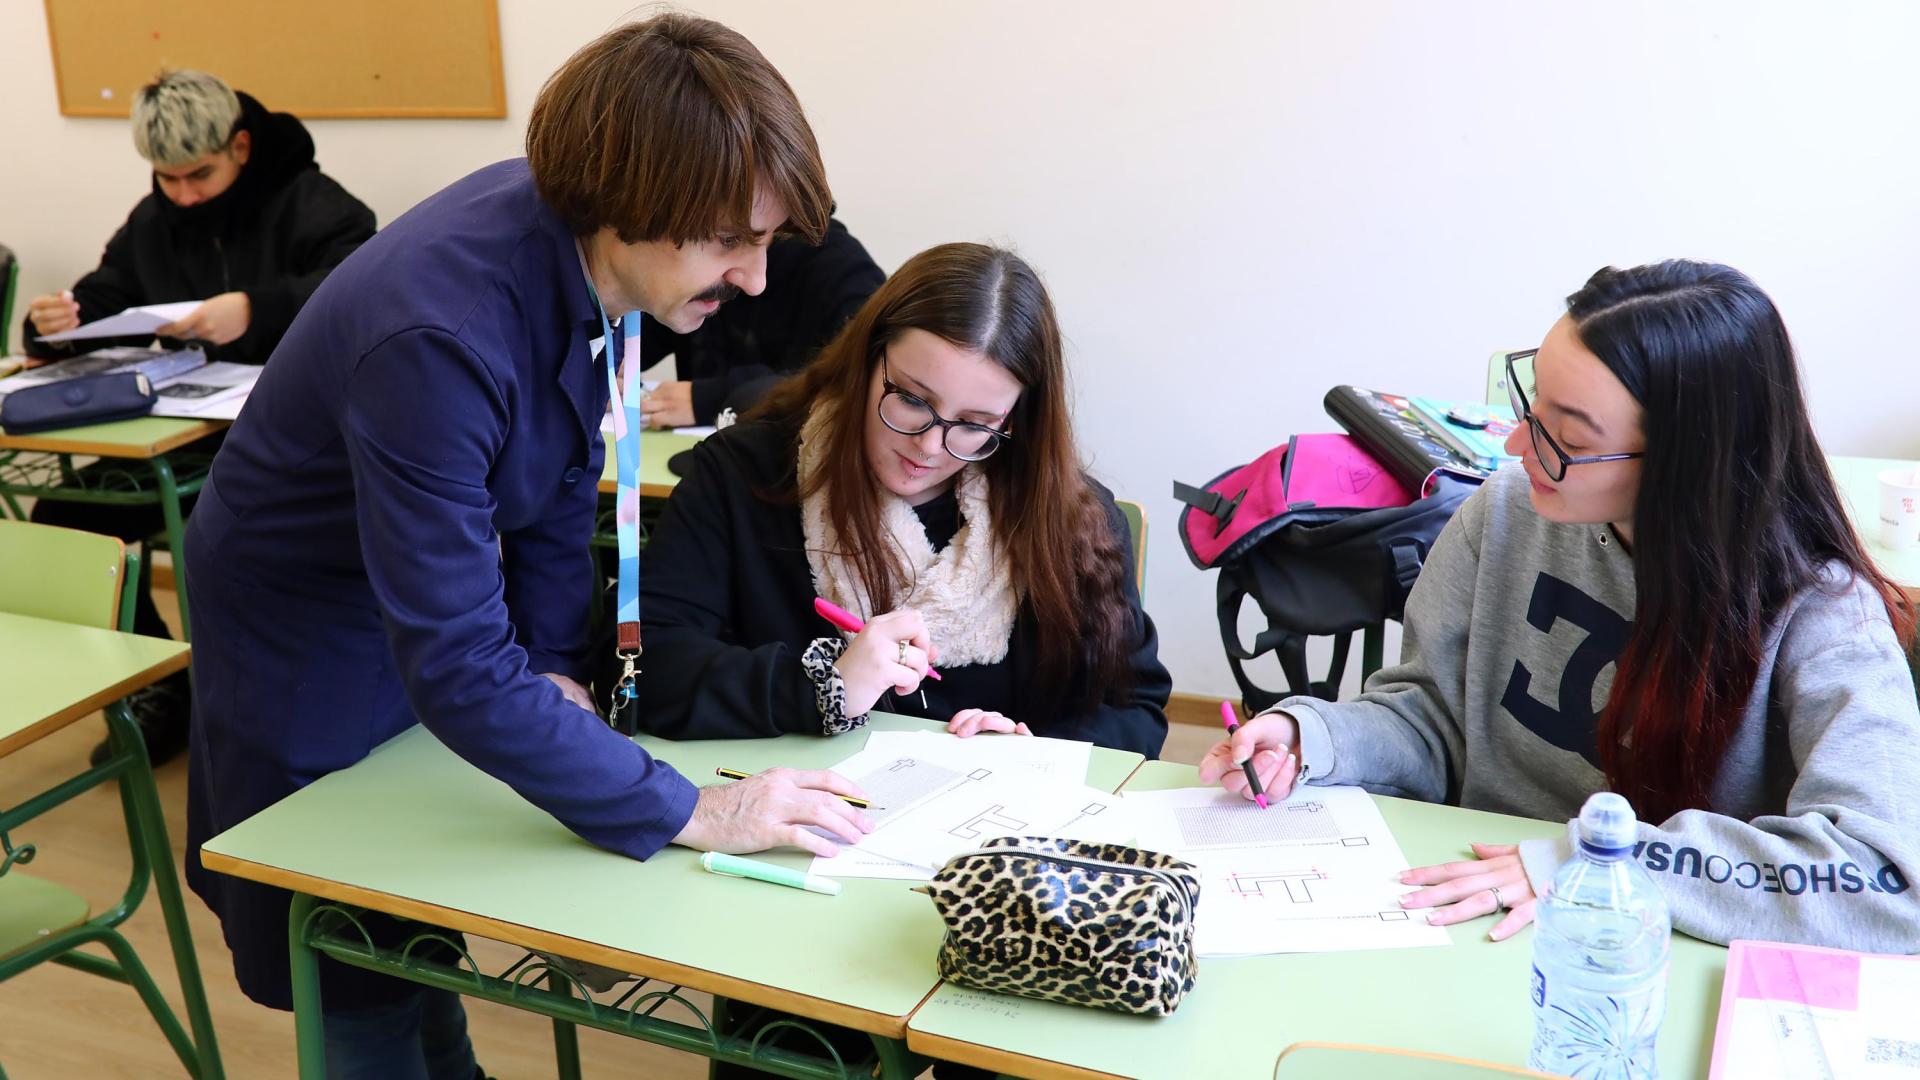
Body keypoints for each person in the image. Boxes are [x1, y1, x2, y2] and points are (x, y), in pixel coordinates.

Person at [180, 17, 872, 1075]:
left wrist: (554, 666)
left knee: (423, 902)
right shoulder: (441, 334)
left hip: (411, 582)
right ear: (633, 204)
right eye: (734, 241)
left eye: (768, 243)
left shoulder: (586, 246)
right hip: (304, 619)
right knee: (352, 923)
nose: (757, 281)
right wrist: (695, 809)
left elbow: (552, 484)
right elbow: (458, 663)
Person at [1201, 260, 1920, 954]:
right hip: (1468, 905)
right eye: (1531, 405)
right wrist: (1311, 740)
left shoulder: (1825, 614)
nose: (1518, 446)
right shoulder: (1507, 513)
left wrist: (1601, 865)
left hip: (1640, 957)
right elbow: (1430, 719)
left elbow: (1888, 880)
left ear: (1687, 467)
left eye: (1567, 438)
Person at [637, 242, 1170, 759]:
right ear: (869, 358)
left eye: (975, 424)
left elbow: (1133, 707)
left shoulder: (1069, 516)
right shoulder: (743, 474)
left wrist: (1037, 757)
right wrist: (821, 683)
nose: (930, 446)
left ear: (1017, 419)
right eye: (913, 400)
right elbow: (645, 669)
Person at [22, 68, 376, 766]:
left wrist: (257, 308)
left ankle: (265, 699)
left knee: (225, 537)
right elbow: (107, 294)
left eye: (199, 176)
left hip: (306, 441)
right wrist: (55, 322)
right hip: (194, 440)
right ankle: (167, 684)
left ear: (240, 147)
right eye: (167, 179)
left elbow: (367, 292)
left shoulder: (314, 203)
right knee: (69, 520)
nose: (182, 194)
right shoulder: (156, 220)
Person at [637, 215, 883, 429]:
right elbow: (647, 334)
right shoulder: (695, 249)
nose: (753, 283)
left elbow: (860, 371)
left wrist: (708, 400)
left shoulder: (841, 268)